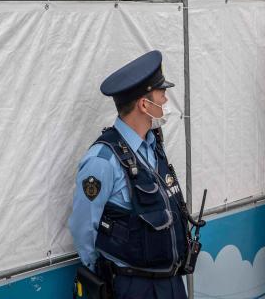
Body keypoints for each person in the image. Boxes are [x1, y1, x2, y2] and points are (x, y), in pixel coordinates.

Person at [69, 50, 198, 299]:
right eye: (161, 94)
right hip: (133, 286)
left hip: (170, 282)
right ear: (143, 104)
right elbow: (83, 226)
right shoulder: (103, 160)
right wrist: (102, 272)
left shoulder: (153, 145)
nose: (165, 100)